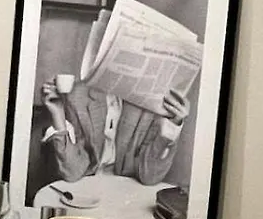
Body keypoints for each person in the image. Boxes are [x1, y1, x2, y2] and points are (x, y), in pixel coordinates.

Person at [40, 76, 190, 186]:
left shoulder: (152, 103)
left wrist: (173, 124)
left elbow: (149, 176)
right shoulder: (77, 95)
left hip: (127, 193)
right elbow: (72, 171)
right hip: (89, 186)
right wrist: (58, 113)